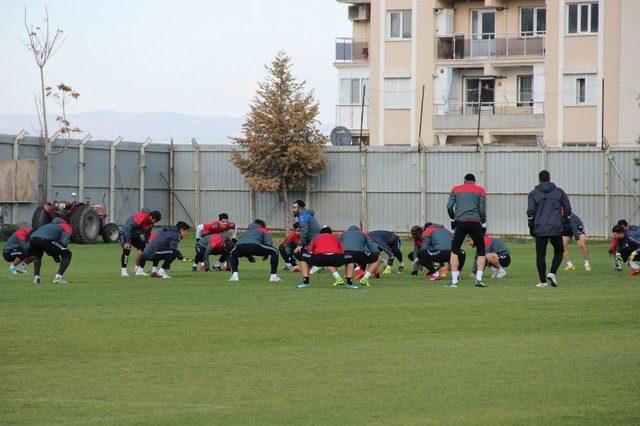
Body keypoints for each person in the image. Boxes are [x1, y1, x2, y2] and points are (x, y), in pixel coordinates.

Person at [527, 170, 572, 288]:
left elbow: (530, 213)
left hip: (540, 228)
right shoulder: (559, 192)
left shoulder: (533, 193)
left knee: (540, 255)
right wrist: (566, 223)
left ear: (539, 179)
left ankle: (543, 282)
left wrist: (531, 228)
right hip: (556, 227)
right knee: (559, 251)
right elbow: (567, 209)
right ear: (549, 178)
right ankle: (552, 273)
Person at [447, 173, 487, 287]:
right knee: (481, 251)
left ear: (464, 180)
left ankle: (454, 280)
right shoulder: (480, 190)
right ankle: (478, 279)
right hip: (475, 222)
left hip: (461, 222)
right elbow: (482, 209)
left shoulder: (456, 189)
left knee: (455, 250)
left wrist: (453, 217)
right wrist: (483, 222)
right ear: (474, 181)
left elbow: (449, 206)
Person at [29, 217, 73, 284]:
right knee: (67, 253)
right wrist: (60, 253)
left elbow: (50, 247)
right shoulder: (66, 226)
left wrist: (55, 255)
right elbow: (64, 242)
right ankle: (58, 277)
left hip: (32, 239)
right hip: (44, 240)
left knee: (38, 256)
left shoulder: (49, 225)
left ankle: (36, 277)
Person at [119, 210, 161, 277]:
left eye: (156, 221)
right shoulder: (141, 218)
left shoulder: (151, 223)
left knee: (146, 250)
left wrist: (147, 243)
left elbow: (148, 234)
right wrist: (128, 242)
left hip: (135, 236)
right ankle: (123, 271)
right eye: (154, 220)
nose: (154, 223)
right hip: (125, 233)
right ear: (150, 217)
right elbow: (128, 228)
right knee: (127, 249)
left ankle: (140, 270)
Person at [291, 200, 321, 272]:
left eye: (295, 208)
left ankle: (315, 265)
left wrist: (301, 244)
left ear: (300, 208)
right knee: (299, 251)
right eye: (292, 208)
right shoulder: (305, 215)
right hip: (314, 240)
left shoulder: (303, 216)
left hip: (314, 241)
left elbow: (304, 231)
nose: (293, 210)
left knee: (297, 252)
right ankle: (313, 265)